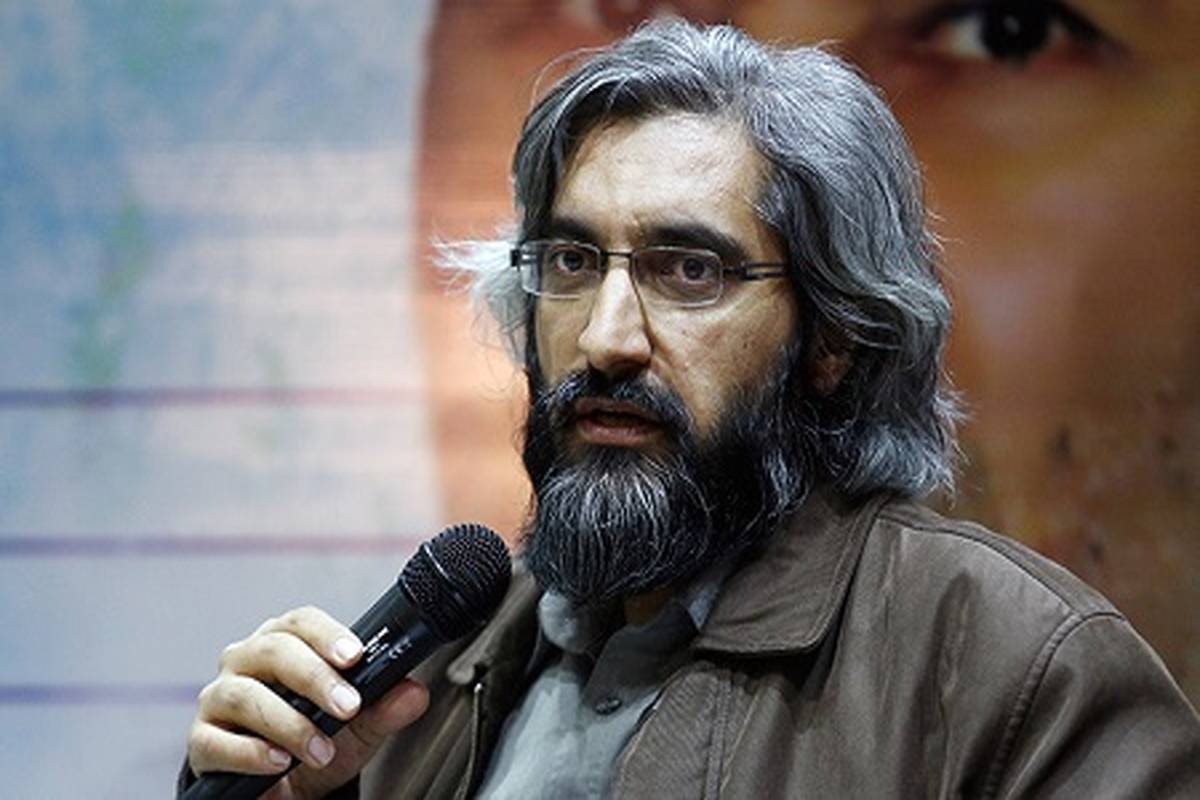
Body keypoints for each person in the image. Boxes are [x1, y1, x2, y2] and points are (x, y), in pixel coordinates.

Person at [180, 20, 1200, 799]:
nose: (606, 337)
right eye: (572, 262)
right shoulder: (439, 669)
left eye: (690, 270)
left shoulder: (1024, 672)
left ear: (833, 338)